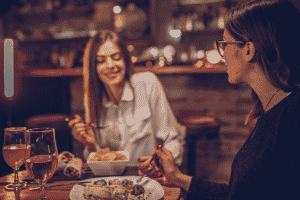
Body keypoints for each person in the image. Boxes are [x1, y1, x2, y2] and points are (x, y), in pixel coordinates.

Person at [138, 0, 300, 199]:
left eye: (225, 44)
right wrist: (179, 178)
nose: (222, 55)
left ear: (249, 50)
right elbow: (239, 193)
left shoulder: (293, 117)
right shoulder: (269, 111)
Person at [68, 30, 183, 165]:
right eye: (101, 61)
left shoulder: (147, 83)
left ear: (125, 60)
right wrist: (91, 146)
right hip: (114, 182)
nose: (110, 65)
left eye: (116, 57)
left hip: (148, 178)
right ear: (93, 68)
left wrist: (159, 165)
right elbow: (98, 161)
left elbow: (173, 140)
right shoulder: (93, 100)